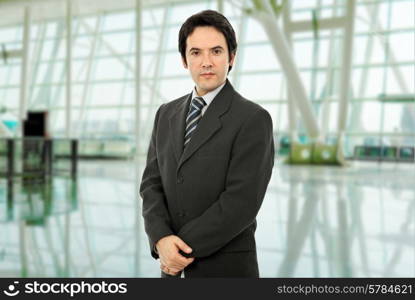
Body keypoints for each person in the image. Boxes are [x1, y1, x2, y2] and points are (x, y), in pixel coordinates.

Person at [140, 10, 274, 278]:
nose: (206, 62)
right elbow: (151, 184)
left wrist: (178, 252)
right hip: (172, 268)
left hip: (226, 270)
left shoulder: (253, 119)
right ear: (184, 60)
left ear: (231, 57)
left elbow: (241, 203)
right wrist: (161, 239)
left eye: (216, 51)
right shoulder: (165, 114)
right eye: (196, 53)